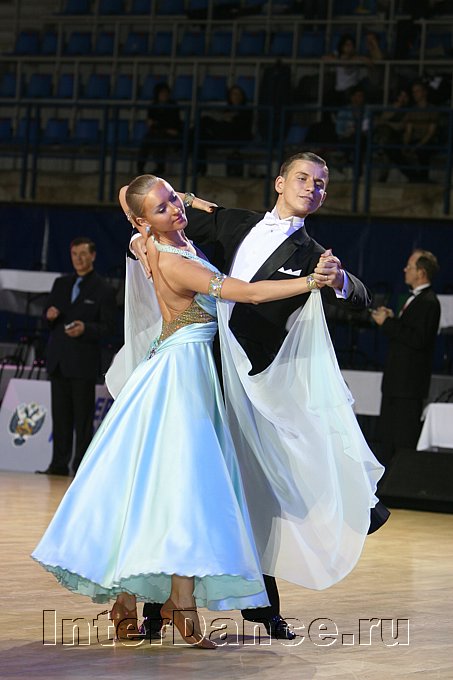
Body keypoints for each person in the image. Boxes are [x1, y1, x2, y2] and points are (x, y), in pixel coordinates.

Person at [32, 175, 382, 649]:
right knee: (176, 487)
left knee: (186, 491)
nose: (175, 209)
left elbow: (136, 201)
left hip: (193, 371)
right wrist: (308, 282)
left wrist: (186, 201)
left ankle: (170, 602)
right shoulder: (172, 258)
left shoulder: (155, 243)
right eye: (162, 207)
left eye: (173, 199)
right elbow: (249, 294)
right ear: (143, 221)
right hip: (181, 378)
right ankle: (151, 603)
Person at [129, 152, 389, 641]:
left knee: (252, 494)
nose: (312, 187)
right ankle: (157, 607)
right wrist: (145, 230)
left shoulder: (314, 255)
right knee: (182, 486)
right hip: (200, 371)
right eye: (303, 178)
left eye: (321, 183)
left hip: (255, 385)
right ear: (279, 183)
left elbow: (361, 296)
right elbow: (146, 207)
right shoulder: (234, 222)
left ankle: (264, 609)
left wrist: (338, 280)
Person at [36, 237, 117, 476]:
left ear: (93, 256)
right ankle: (58, 465)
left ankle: (80, 467)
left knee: (82, 420)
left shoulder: (103, 289)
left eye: (83, 254)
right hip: (59, 361)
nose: (78, 259)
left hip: (83, 363)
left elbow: (109, 327)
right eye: (74, 254)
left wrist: (86, 329)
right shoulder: (61, 283)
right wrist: (49, 316)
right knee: (60, 418)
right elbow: (46, 318)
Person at [371, 249, 441, 468]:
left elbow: (418, 339)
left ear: (421, 272)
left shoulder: (429, 302)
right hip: (397, 383)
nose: (405, 270)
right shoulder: (418, 300)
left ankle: (400, 481)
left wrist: (387, 323)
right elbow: (410, 331)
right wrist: (393, 320)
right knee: (388, 439)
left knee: (402, 441)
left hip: (408, 386)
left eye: (409, 267)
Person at [194, 84, 253, 176]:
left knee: (203, 126)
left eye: (238, 94)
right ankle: (199, 170)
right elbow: (223, 120)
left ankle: (184, 139)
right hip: (221, 135)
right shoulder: (226, 109)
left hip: (235, 137)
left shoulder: (247, 111)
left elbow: (241, 127)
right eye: (233, 94)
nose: (236, 97)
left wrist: (229, 119)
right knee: (200, 137)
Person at [137, 82, 182, 176]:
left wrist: (159, 124)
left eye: (166, 93)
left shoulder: (173, 106)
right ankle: (140, 168)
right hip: (156, 132)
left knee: (159, 139)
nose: (164, 95)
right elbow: (150, 122)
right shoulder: (154, 105)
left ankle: (160, 167)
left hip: (169, 133)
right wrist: (156, 124)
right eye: (162, 93)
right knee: (147, 139)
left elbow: (174, 124)